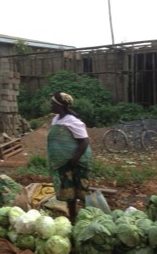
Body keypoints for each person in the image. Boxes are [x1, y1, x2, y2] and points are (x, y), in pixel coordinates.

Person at [47, 92, 92, 223]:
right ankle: (73, 218)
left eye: (53, 103)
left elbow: (85, 141)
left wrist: (75, 159)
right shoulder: (56, 119)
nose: (51, 105)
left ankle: (88, 216)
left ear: (59, 105)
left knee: (81, 191)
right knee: (69, 192)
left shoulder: (72, 121)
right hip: (64, 162)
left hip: (76, 161)